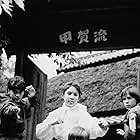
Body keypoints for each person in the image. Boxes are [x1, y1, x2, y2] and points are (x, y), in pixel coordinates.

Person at [36, 81, 109, 140]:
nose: (71, 97)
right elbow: (39, 134)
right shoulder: (56, 114)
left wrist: (102, 127)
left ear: (78, 98)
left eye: (75, 95)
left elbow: (94, 130)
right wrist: (50, 124)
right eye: (69, 93)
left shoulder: (83, 113)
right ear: (63, 95)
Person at [0, 75, 36, 140]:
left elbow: (27, 102)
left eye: (20, 92)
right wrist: (10, 111)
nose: (17, 95)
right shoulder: (4, 100)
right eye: (15, 92)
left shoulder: (22, 102)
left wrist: (32, 97)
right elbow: (6, 107)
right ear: (8, 91)